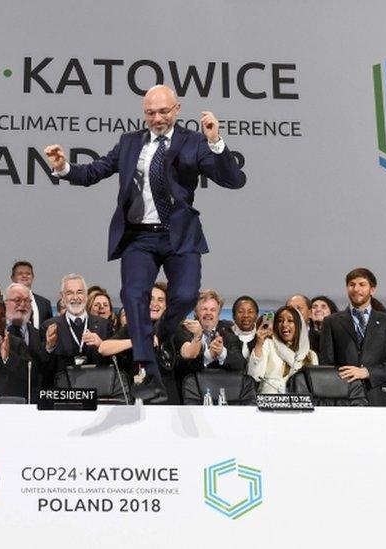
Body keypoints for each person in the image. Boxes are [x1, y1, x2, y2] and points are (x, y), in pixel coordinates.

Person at [44, 84, 246, 402]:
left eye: (163, 111)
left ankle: (157, 334)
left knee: (183, 295)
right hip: (140, 235)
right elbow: (93, 172)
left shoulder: (194, 142)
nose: (157, 118)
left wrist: (215, 142)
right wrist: (62, 168)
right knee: (133, 294)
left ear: (177, 110)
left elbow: (233, 180)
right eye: (150, 113)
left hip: (179, 234)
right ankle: (147, 372)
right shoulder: (129, 143)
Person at [319, 268, 386, 406]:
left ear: (372, 289)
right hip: (343, 397)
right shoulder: (331, 321)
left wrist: (367, 372)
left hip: (379, 395)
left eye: (362, 284)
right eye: (351, 284)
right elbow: (326, 363)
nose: (356, 289)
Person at [100, 283, 178, 403]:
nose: (155, 304)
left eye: (160, 300)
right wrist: (137, 342)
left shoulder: (175, 328)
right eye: (150, 299)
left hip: (168, 401)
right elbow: (103, 348)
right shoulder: (132, 328)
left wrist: (197, 337)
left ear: (167, 306)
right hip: (139, 400)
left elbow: (189, 352)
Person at [41, 274, 111, 375]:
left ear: (86, 295)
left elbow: (112, 363)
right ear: (62, 297)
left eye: (79, 292)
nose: (75, 297)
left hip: (97, 386)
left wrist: (101, 345)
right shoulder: (49, 326)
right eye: (69, 293)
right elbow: (43, 367)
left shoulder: (104, 325)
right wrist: (49, 347)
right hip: (63, 387)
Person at [247, 305, 316, 394]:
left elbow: (313, 387)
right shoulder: (269, 345)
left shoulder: (311, 355)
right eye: (280, 321)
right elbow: (254, 375)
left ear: (299, 326)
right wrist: (259, 343)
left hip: (299, 404)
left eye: (290, 321)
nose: (284, 324)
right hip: (270, 402)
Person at [5, 282, 49, 398]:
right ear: (5, 303)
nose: (22, 304)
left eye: (27, 301)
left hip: (31, 398)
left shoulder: (37, 334)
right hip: (2, 399)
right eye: (17, 300)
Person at [10, 261, 53, 328]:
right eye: (20, 273)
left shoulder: (44, 303)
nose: (24, 276)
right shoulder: (6, 301)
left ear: (33, 277)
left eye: (28, 273)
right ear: (12, 278)